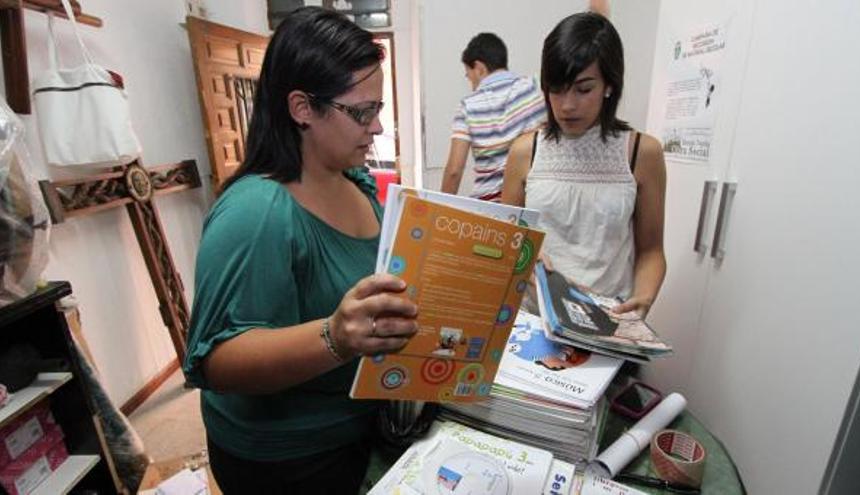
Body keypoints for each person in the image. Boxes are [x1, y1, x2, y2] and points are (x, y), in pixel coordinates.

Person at [183, 7, 419, 493]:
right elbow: (216, 361)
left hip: (360, 427)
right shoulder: (257, 211)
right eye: (362, 112)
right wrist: (335, 336)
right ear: (301, 108)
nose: (376, 128)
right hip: (290, 459)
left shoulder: (353, 182)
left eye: (378, 109)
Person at [502, 12, 666, 318]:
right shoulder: (526, 151)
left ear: (609, 85)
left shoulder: (642, 153)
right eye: (556, 88)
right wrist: (525, 253)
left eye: (583, 88)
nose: (567, 105)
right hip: (536, 318)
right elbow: (509, 238)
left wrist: (642, 300)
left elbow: (651, 251)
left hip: (608, 318)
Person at [440, 33, 546, 202]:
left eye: (469, 75)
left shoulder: (468, 106)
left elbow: (454, 170)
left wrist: (440, 208)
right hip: (529, 201)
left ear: (479, 67)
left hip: (490, 209)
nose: (472, 83)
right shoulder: (533, 88)